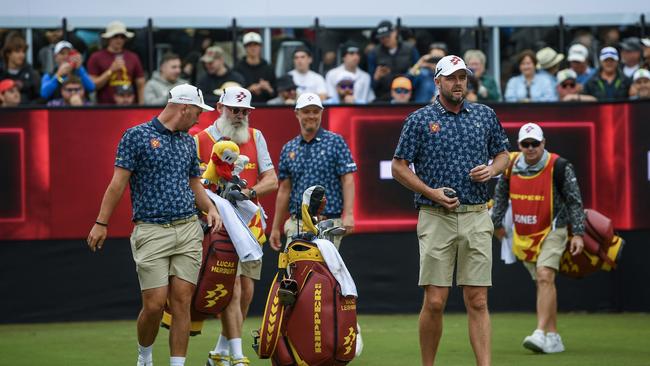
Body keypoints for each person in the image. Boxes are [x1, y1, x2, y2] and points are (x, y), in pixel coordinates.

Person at [86, 84, 220, 366]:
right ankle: (145, 357)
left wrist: (209, 208)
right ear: (184, 108)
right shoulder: (136, 136)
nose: (198, 118)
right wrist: (101, 223)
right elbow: (117, 184)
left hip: (188, 229)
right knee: (155, 304)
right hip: (150, 230)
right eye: (197, 111)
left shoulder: (187, 141)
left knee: (182, 300)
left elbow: (194, 183)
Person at [391, 55, 510, 366]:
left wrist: (491, 170)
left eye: (463, 77)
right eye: (452, 78)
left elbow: (503, 155)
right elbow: (398, 167)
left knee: (478, 300)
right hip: (435, 216)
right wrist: (431, 192)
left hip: (476, 214)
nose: (459, 83)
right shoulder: (418, 119)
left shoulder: (484, 115)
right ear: (438, 82)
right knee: (434, 301)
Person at [193, 86, 278, 366]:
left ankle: (220, 351)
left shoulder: (256, 136)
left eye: (244, 111)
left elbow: (271, 180)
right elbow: (192, 183)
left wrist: (249, 193)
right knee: (232, 290)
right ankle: (238, 356)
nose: (240, 115)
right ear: (220, 109)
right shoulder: (200, 139)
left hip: (250, 227)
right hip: (216, 228)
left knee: (245, 294)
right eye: (234, 110)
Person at [491, 122, 585, 354]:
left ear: (543, 143)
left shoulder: (559, 165)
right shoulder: (510, 165)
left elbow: (574, 200)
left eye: (535, 143)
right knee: (544, 283)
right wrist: (495, 225)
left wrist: (579, 234)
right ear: (519, 145)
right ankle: (553, 336)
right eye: (526, 143)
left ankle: (540, 332)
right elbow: (501, 196)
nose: (531, 148)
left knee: (544, 276)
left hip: (554, 228)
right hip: (524, 231)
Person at [270, 92, 356, 251]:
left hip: (328, 222)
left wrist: (349, 214)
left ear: (322, 113)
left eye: (315, 111)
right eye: (306, 111)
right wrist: (275, 227)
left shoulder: (336, 141)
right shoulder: (289, 148)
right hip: (297, 223)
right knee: (294, 272)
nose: (311, 116)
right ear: (297, 113)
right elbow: (284, 188)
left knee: (325, 273)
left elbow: (348, 179)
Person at [87, 20, 145, 104]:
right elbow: (92, 86)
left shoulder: (133, 57)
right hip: (105, 108)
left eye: (122, 37)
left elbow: (140, 83)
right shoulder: (96, 57)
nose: (119, 40)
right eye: (115, 36)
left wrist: (141, 106)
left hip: (130, 107)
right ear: (108, 38)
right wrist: (110, 71)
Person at [367, 20, 419, 102]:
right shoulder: (374, 53)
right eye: (382, 37)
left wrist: (410, 74)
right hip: (384, 98)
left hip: (407, 95)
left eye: (388, 36)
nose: (385, 39)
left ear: (395, 32)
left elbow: (418, 72)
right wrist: (377, 77)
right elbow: (371, 85)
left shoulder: (410, 49)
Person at [234, 32, 276, 103]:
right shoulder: (238, 68)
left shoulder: (268, 68)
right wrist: (249, 90)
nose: (253, 48)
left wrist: (269, 89)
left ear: (260, 47)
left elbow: (276, 94)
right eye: (249, 45)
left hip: (266, 107)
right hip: (243, 107)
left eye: (256, 45)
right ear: (245, 47)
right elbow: (234, 93)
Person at [0, 32, 41, 104]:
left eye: (23, 52)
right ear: (8, 54)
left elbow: (39, 98)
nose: (22, 55)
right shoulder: (1, 73)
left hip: (26, 113)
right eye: (17, 51)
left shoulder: (32, 74)